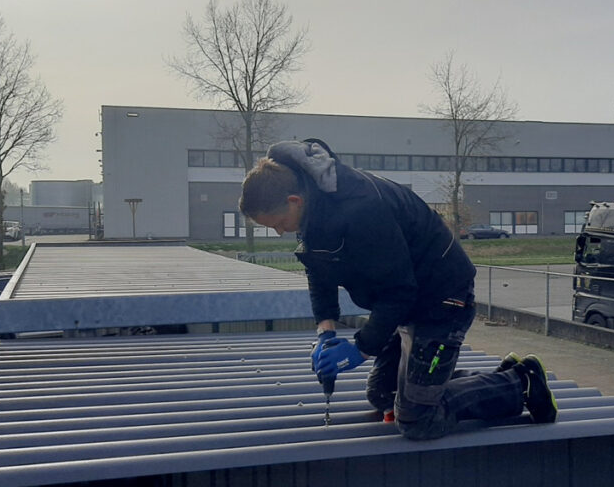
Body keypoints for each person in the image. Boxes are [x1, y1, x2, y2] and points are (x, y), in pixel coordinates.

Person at [239, 138, 557, 440]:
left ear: (294, 201)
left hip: (441, 300)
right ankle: (488, 382)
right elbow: (318, 266)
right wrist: (325, 331)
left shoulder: (361, 210)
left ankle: (520, 382)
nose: (279, 231)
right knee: (383, 394)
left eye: (277, 223)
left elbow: (399, 291)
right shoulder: (314, 200)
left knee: (417, 419)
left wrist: (361, 348)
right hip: (407, 301)